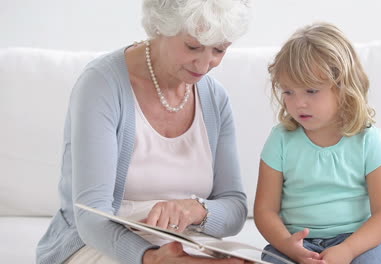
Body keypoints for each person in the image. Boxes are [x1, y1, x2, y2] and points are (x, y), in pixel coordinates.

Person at [36, 0, 252, 263]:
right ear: (161, 26)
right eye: (192, 46)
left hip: (185, 244)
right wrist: (152, 258)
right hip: (100, 243)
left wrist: (196, 209)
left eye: (219, 50)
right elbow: (91, 217)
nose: (204, 65)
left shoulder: (215, 98)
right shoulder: (101, 84)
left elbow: (235, 208)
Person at [254, 22, 381, 264]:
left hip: (356, 241)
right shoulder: (280, 139)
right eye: (289, 92)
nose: (298, 103)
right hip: (295, 241)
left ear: (344, 88)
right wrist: (288, 246)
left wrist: (349, 250)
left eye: (311, 91)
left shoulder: (368, 139)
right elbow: (265, 210)